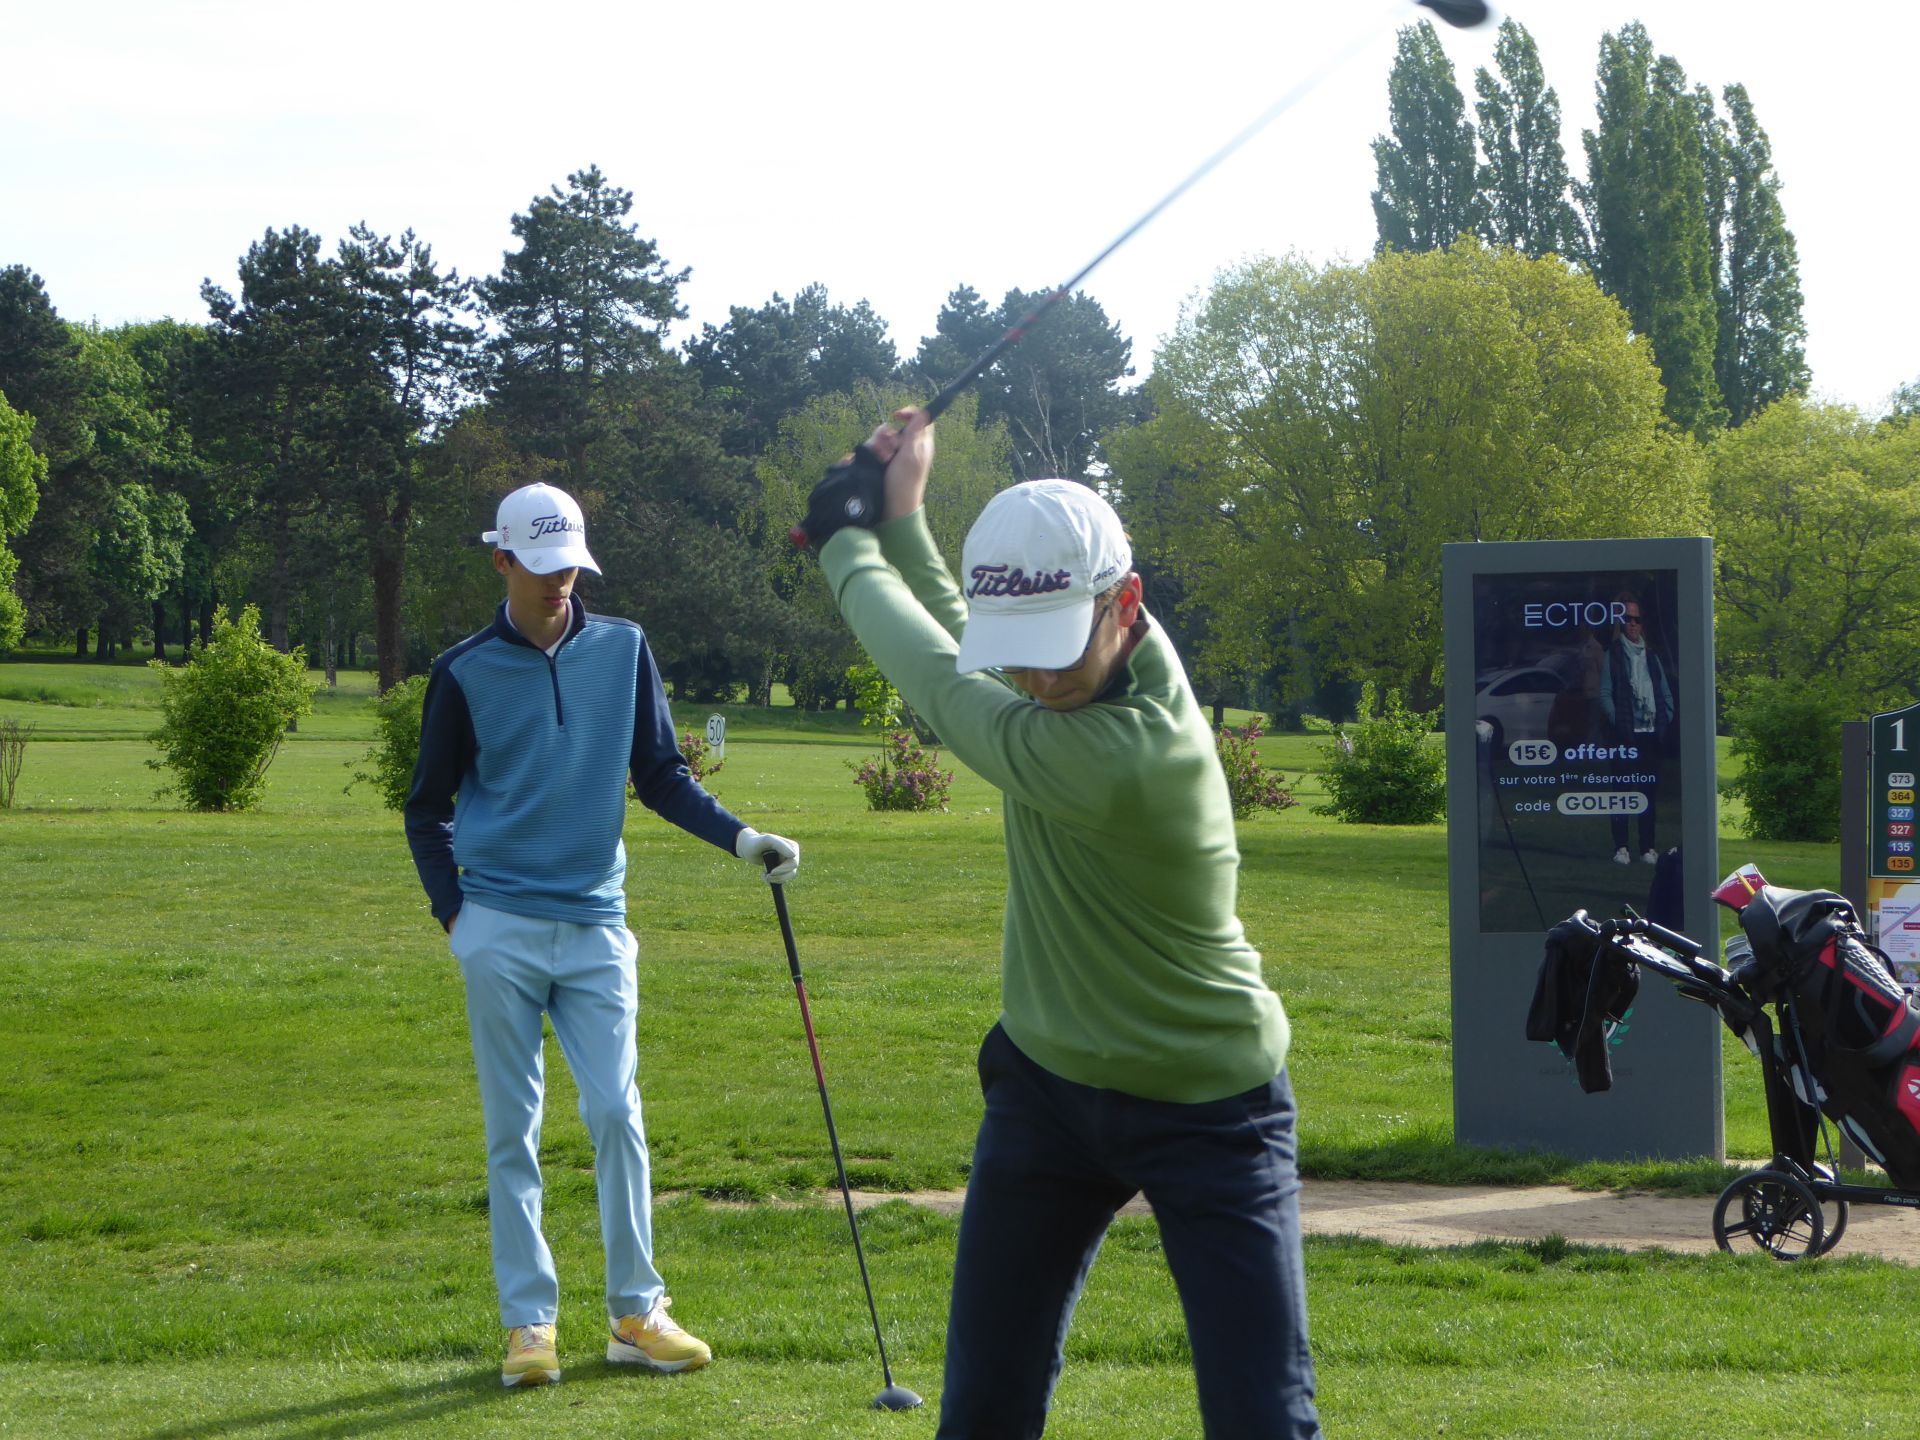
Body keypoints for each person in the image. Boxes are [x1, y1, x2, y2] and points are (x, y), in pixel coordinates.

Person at [801, 411, 1322, 1438]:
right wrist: (902, 519)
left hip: (1209, 1103)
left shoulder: (1131, 757)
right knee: (983, 1412)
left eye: (1055, 649)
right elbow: (971, 648)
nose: (1038, 682)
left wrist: (843, 547)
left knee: (1262, 1419)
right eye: (1022, 653)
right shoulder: (1111, 654)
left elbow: (944, 683)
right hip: (1045, 1091)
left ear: (1125, 603)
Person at [404, 481, 799, 1389]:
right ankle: (528, 1325)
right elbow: (427, 808)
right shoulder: (463, 671)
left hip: (595, 922)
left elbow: (659, 774)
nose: (560, 584)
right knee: (514, 1130)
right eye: (542, 567)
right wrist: (456, 915)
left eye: (571, 568)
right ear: (502, 560)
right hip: (497, 922)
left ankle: (635, 1314)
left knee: (617, 1114)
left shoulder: (623, 648)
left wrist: (743, 839)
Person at [1597, 590, 1674, 865]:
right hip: (1625, 735)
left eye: (1636, 619)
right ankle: (1621, 847)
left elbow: (1664, 692)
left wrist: (1665, 717)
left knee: (1647, 793)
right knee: (1621, 791)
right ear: (1620, 622)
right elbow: (1605, 692)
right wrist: (1619, 722)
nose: (1632, 623)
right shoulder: (1614, 654)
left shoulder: (1651, 656)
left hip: (1650, 734)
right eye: (1627, 619)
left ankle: (1647, 848)